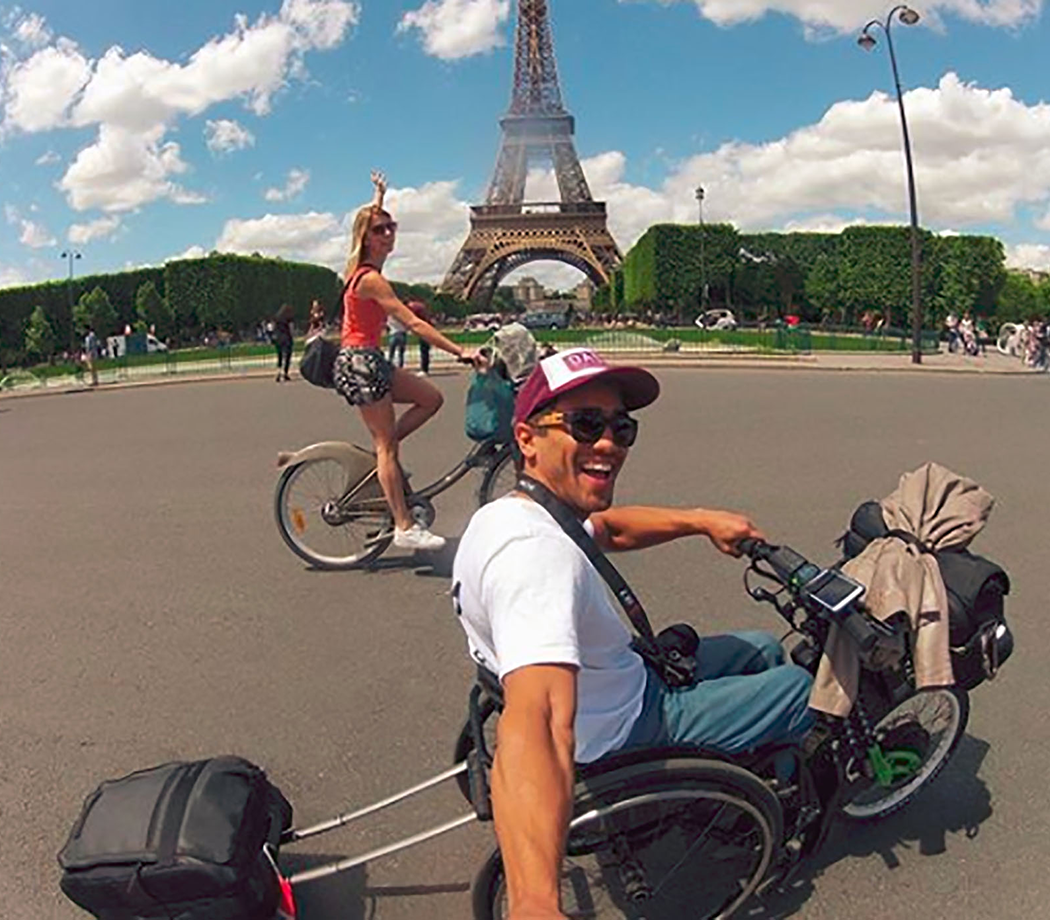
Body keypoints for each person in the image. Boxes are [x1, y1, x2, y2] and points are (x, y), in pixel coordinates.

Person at [452, 347, 814, 919]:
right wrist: (533, 903)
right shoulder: (535, 558)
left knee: (763, 648)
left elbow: (611, 528)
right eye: (585, 424)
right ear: (526, 437)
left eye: (622, 428)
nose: (608, 444)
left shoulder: (514, 513)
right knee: (801, 687)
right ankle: (776, 803)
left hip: (614, 683)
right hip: (623, 723)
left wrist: (700, 521)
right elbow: (541, 722)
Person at [335, 170, 476, 551]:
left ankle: (384, 464)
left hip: (369, 358)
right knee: (387, 446)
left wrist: (379, 197)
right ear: (366, 237)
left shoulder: (364, 268)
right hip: (360, 361)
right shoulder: (369, 279)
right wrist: (460, 350)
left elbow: (368, 224)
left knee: (431, 399)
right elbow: (411, 321)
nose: (389, 233)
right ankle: (403, 526)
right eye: (381, 230)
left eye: (391, 227)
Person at [406, 300, 432, 375]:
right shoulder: (419, 306)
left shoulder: (413, 307)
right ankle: (425, 369)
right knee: (425, 350)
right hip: (427, 328)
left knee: (424, 350)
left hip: (423, 329)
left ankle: (424, 369)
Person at [272, 304, 294, 382]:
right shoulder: (288, 318)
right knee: (287, 356)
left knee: (280, 356)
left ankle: (278, 373)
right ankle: (285, 373)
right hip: (286, 338)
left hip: (278, 338)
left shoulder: (277, 318)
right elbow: (291, 328)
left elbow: (273, 328)